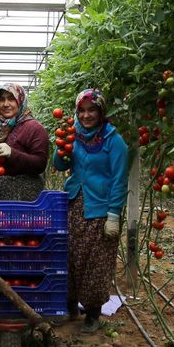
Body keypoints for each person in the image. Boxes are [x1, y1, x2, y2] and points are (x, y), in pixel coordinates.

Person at [53, 88, 128, 333]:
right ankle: (70, 306)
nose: (86, 116)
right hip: (73, 204)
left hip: (100, 209)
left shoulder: (113, 140)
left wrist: (114, 214)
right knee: (69, 256)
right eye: (82, 110)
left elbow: (119, 179)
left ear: (101, 111)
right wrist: (61, 147)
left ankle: (93, 313)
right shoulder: (72, 134)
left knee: (95, 261)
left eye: (92, 110)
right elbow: (58, 164)